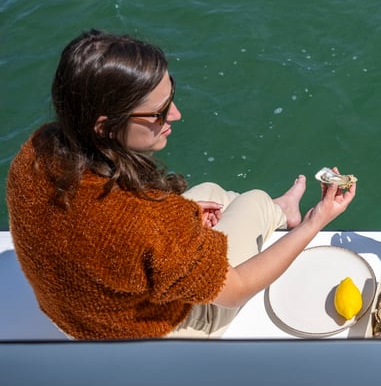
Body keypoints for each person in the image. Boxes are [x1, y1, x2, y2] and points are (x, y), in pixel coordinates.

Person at [6, 29, 356, 339]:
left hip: (77, 314)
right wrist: (318, 220)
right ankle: (283, 212)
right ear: (105, 126)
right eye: (159, 112)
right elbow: (235, 290)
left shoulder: (37, 151)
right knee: (253, 199)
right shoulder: (147, 223)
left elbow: (102, 233)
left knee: (213, 194)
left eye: (170, 98)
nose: (175, 115)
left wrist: (178, 218)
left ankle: (277, 212)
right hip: (143, 334)